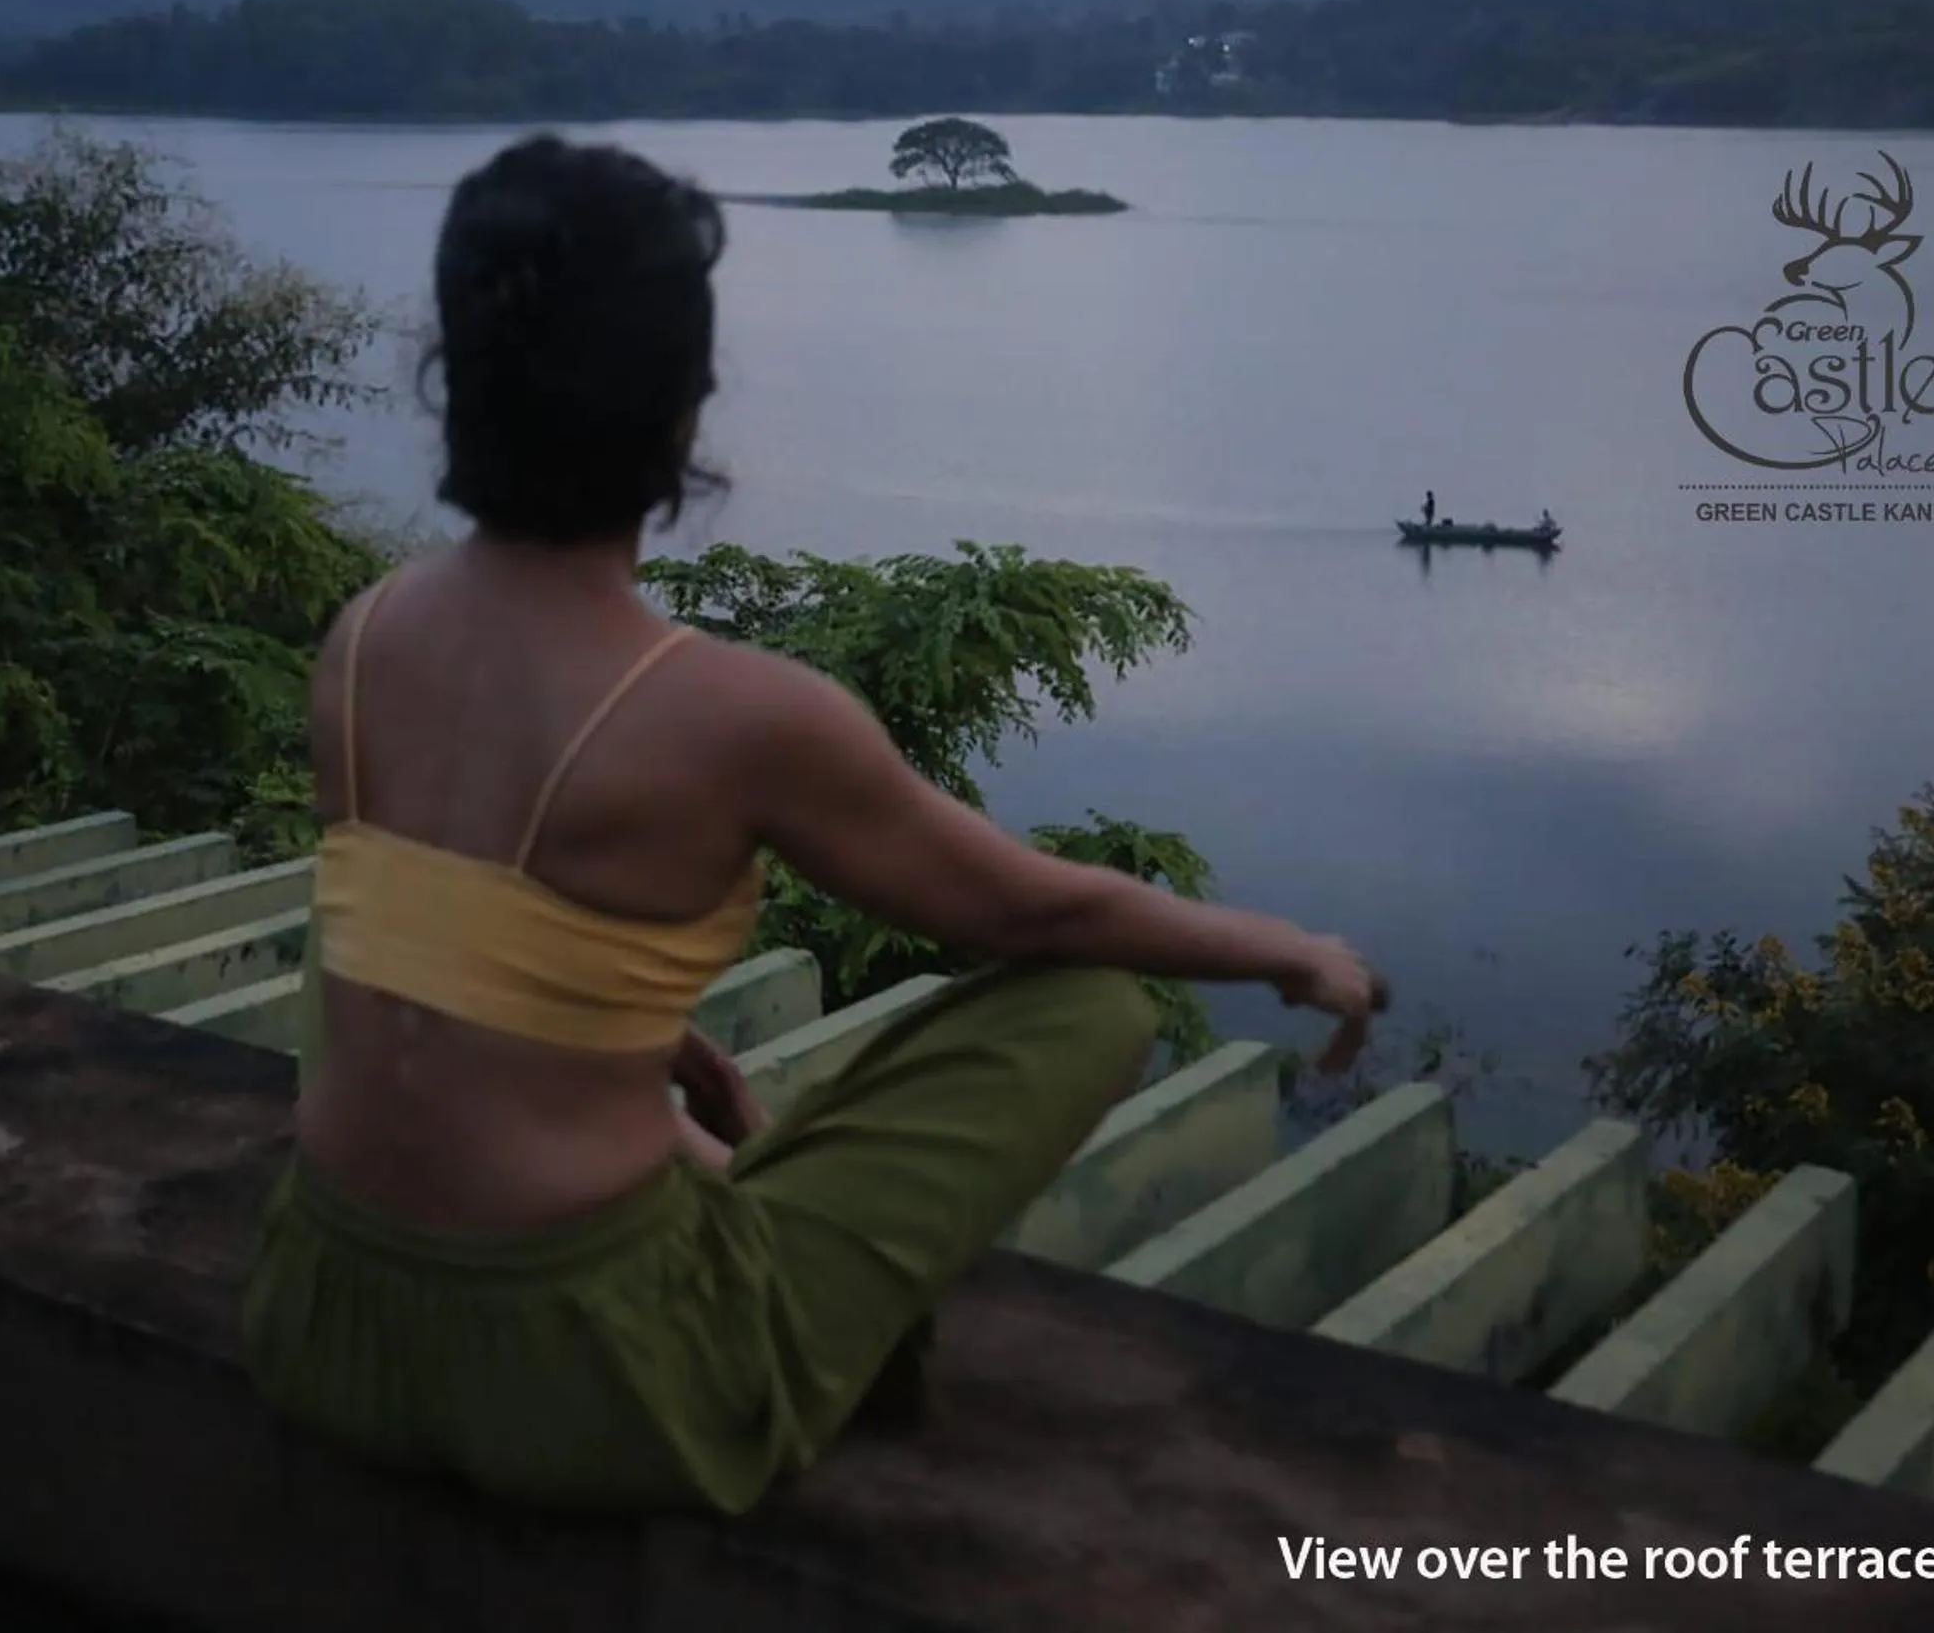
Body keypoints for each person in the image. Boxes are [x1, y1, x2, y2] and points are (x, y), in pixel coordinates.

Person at [241, 134, 1383, 1519]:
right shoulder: (731, 714)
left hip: (318, 1315)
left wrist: (629, 1039)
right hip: (591, 1381)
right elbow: (1036, 911)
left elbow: (442, 945)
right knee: (1084, 1005)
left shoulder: (363, 640)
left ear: (455, 385)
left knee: (360, 904)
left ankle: (691, 1160)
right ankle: (817, 1345)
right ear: (684, 408)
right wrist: (1282, 947)